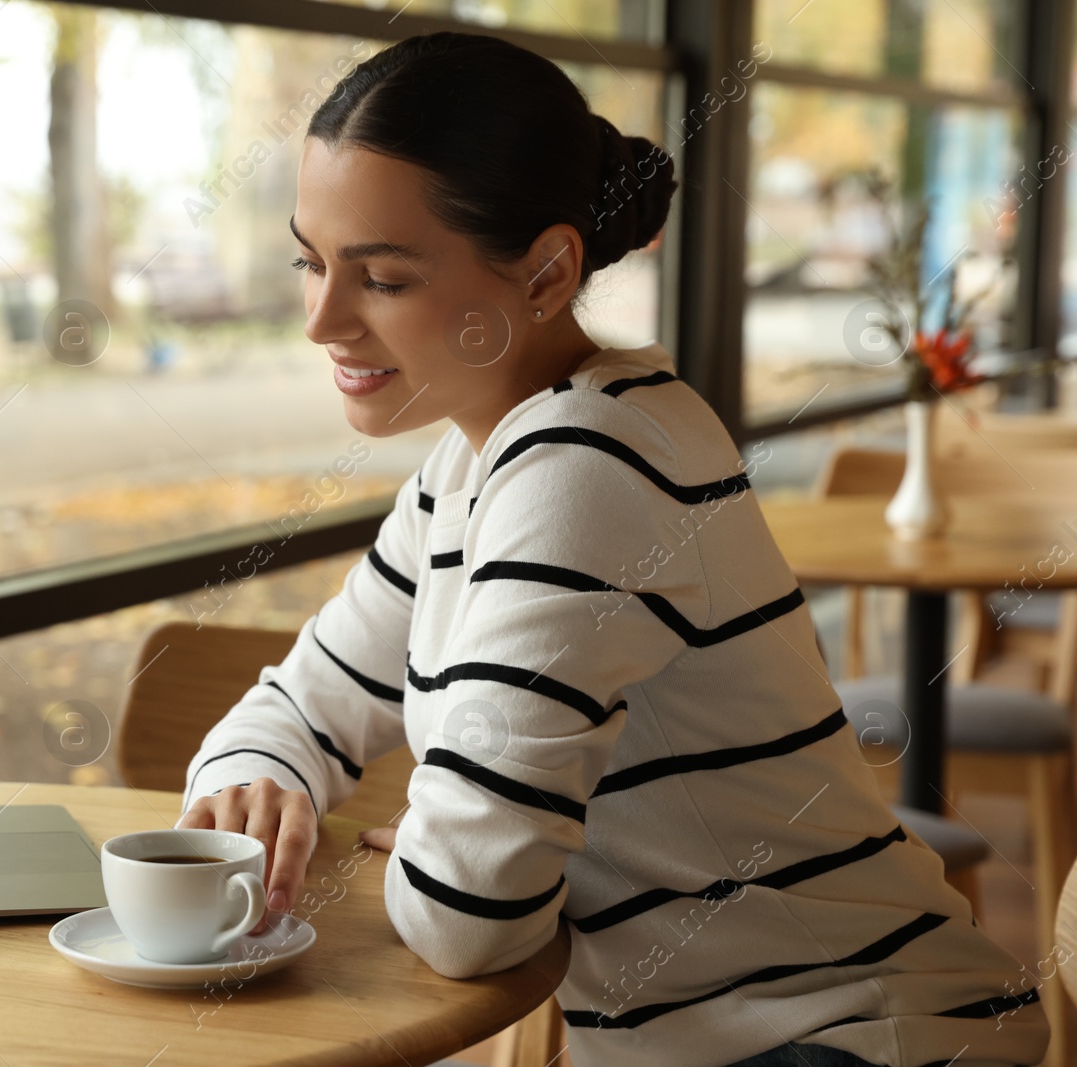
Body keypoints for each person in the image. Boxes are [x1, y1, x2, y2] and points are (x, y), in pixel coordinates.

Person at [174, 30, 1049, 1067]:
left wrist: (435, 842)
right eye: (310, 263)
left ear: (547, 272)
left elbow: (467, 916)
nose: (322, 319)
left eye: (384, 279)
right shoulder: (471, 467)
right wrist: (261, 780)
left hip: (851, 1035)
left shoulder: (586, 468)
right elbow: (296, 704)